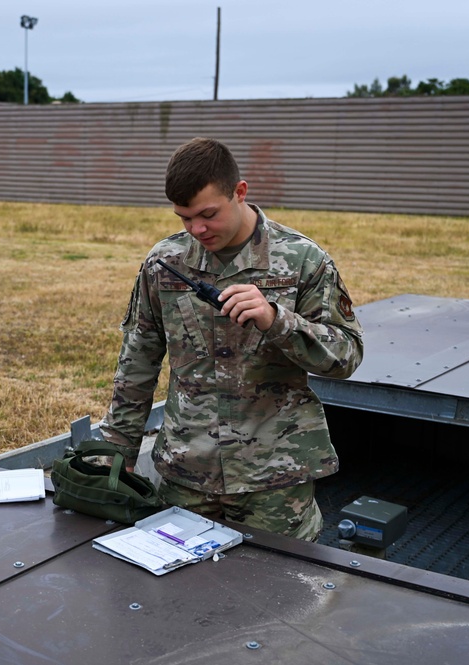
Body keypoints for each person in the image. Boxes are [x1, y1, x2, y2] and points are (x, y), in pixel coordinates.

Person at [99, 137, 363, 541]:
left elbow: (346, 355)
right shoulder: (164, 264)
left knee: (279, 596)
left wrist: (278, 321)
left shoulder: (302, 260)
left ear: (240, 192)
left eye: (207, 214)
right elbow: (138, 360)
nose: (196, 229)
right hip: (187, 473)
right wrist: (119, 454)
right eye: (184, 218)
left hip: (274, 478)